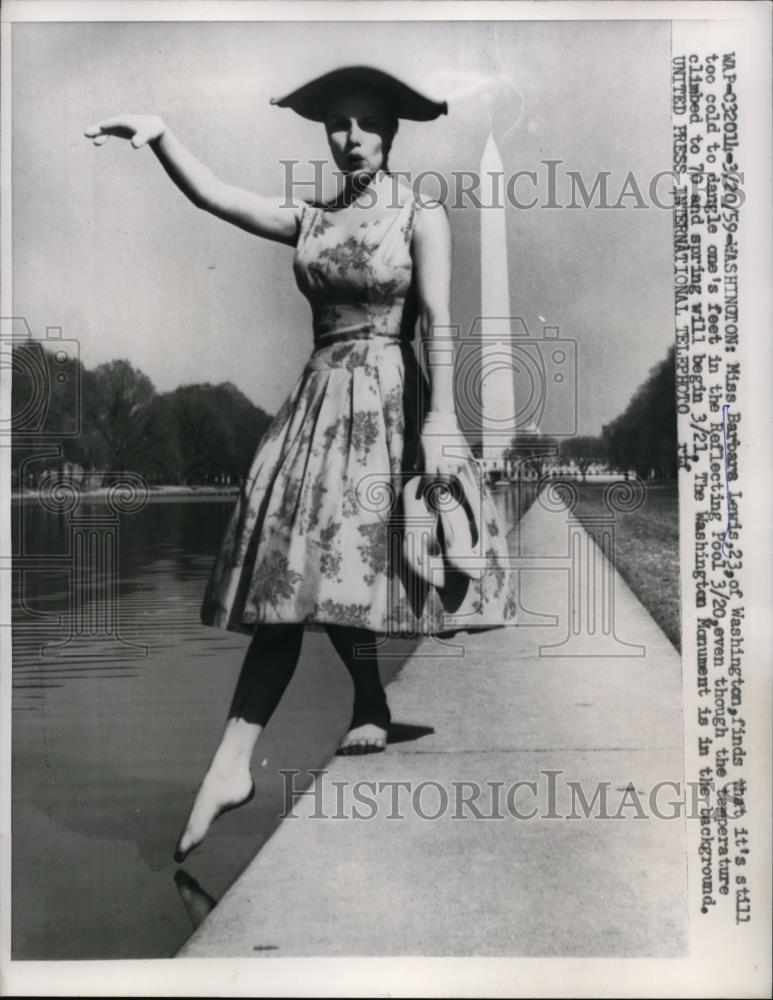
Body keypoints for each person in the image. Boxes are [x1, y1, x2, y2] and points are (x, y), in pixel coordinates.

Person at [84, 65, 518, 864]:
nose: (349, 139)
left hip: (388, 400)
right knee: (301, 577)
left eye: (365, 124)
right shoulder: (309, 221)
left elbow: (437, 323)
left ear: (390, 132)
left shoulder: (421, 215)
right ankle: (301, 731)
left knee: (332, 576)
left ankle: (253, 751)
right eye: (336, 125)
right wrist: (159, 136)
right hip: (318, 404)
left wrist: (439, 423)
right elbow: (216, 195)